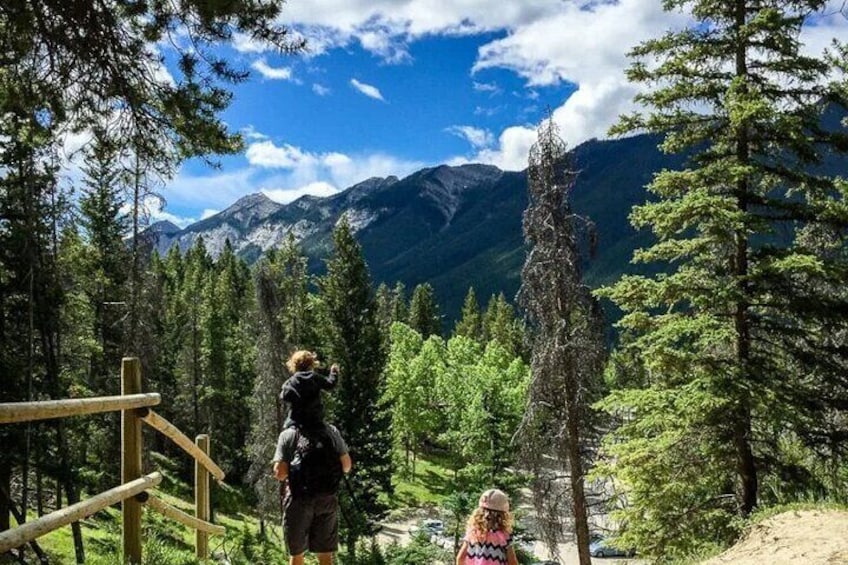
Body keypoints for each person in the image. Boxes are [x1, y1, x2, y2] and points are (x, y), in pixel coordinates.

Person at [273, 422, 352, 565]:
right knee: (325, 555)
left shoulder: (288, 434)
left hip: (298, 500)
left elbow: (280, 473)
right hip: (327, 499)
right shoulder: (330, 430)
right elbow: (346, 466)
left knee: (297, 554)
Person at [456, 489, 519, 565]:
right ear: (503, 515)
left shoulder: (473, 532)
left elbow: (460, 558)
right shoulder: (504, 536)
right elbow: (512, 561)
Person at [280, 350, 339, 430]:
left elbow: (284, 396)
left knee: (283, 438)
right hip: (315, 421)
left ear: (294, 365)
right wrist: (333, 373)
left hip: (296, 421)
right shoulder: (315, 377)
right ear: (311, 363)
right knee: (334, 437)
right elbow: (330, 384)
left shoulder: (291, 381)